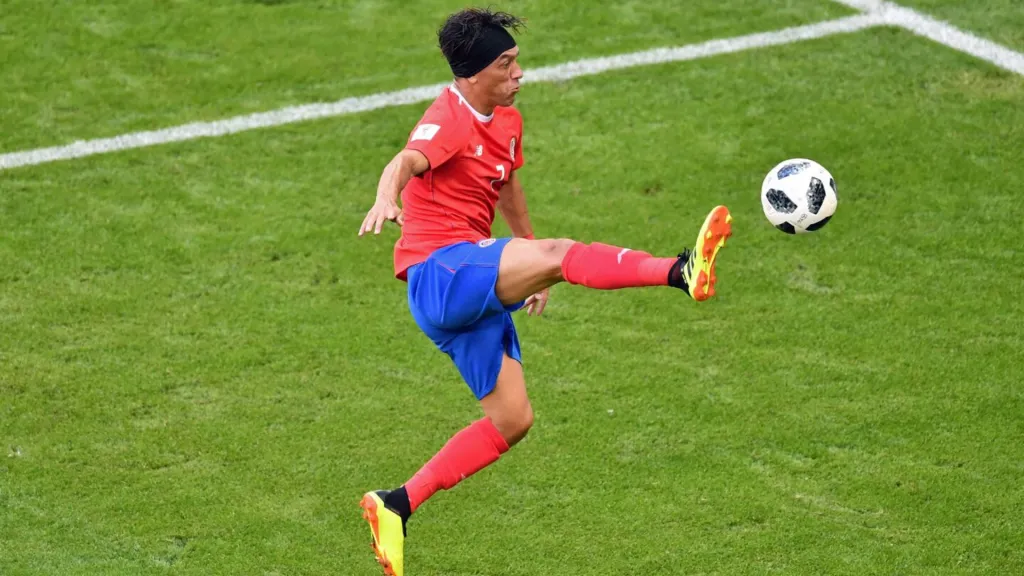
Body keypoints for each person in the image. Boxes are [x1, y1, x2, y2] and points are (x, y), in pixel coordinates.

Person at [357, 8, 732, 576]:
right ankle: (681, 271)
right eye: (505, 64)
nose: (519, 73)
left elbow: (505, 185)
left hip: (468, 281)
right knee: (561, 255)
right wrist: (387, 197)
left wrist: (526, 253)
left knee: (513, 420)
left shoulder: (507, 121)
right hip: (441, 273)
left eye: (516, 61)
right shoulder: (447, 118)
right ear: (472, 74)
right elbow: (405, 160)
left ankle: (395, 505)